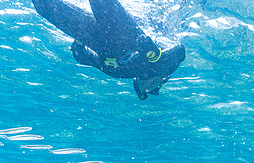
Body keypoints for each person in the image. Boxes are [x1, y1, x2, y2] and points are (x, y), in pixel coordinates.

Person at [33, 0, 186, 99]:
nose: (152, 86)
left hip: (90, 34)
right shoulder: (161, 66)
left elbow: (85, 58)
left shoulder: (119, 72)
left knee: (43, 7)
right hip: (119, 26)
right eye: (156, 86)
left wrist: (79, 43)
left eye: (147, 91)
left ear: (138, 87)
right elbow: (180, 50)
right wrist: (155, 57)